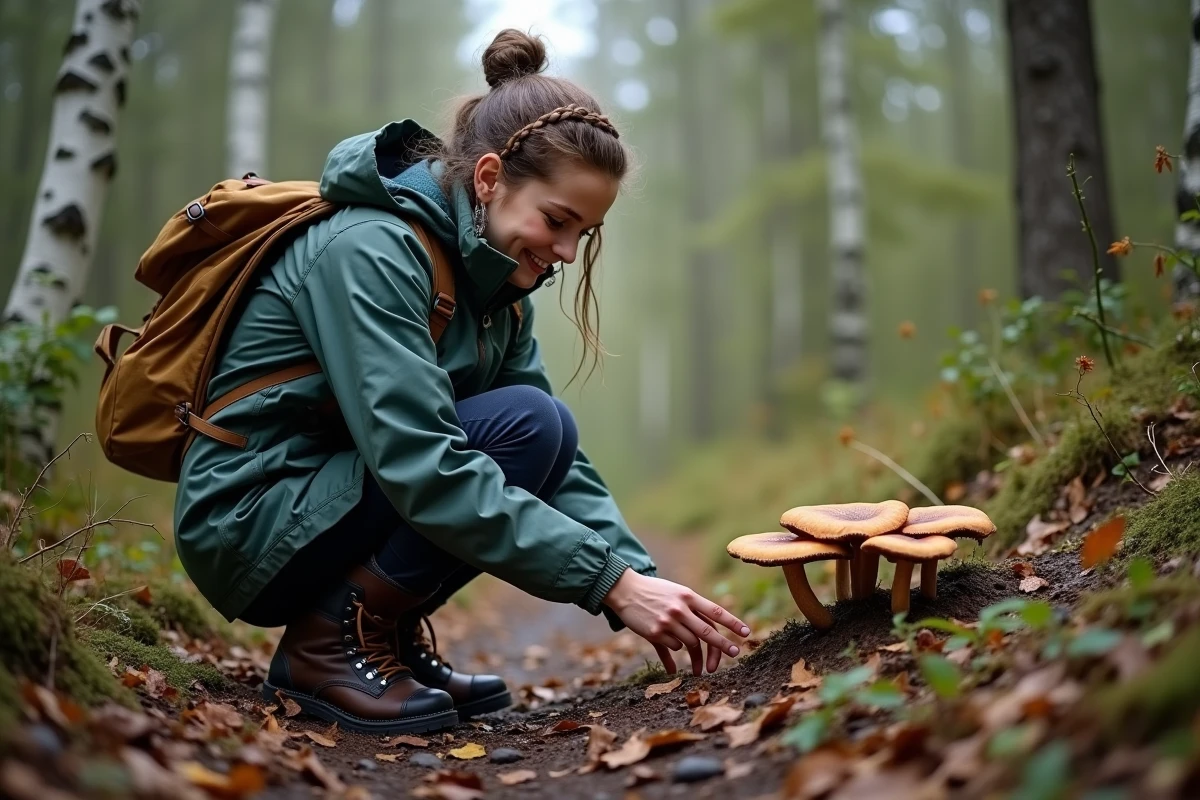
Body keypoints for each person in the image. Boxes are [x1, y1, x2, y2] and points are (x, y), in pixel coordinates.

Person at [172, 29, 750, 735]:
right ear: (487, 180)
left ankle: (385, 635)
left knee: (541, 426)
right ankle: (328, 645)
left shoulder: (492, 290)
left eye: (585, 234)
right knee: (529, 424)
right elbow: (421, 463)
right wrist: (611, 584)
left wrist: (637, 575)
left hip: (321, 496)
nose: (566, 252)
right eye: (557, 221)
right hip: (247, 515)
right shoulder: (371, 251)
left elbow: (555, 466)